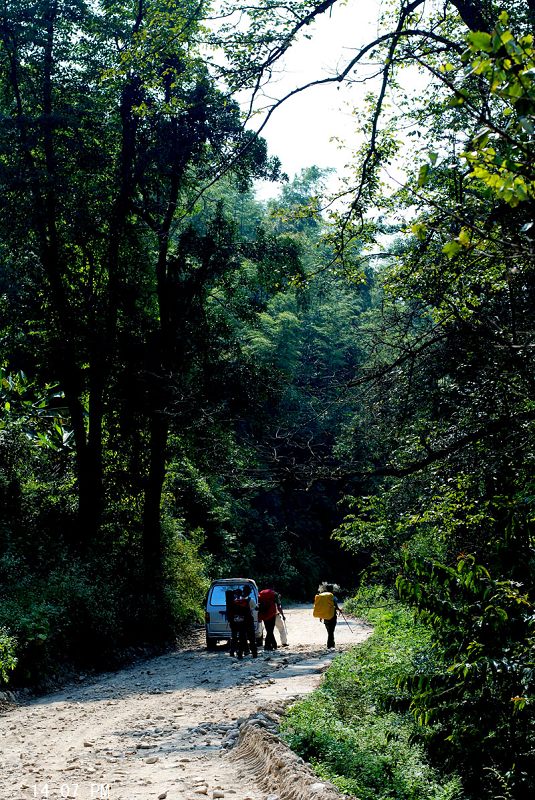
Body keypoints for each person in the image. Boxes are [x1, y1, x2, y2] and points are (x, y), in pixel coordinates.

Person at [318, 582, 341, 649]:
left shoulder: (322, 597)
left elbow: (322, 607)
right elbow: (336, 606)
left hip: (325, 616)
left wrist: (321, 616)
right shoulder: (333, 597)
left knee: (329, 631)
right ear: (332, 589)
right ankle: (331, 645)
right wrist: (339, 610)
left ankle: (331, 644)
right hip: (332, 615)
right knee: (331, 631)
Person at [240, 584, 258, 658]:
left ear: (243, 591)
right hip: (249, 620)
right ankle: (254, 653)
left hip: (241, 621)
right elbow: (256, 608)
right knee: (252, 637)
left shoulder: (238, 600)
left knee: (242, 637)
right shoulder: (251, 600)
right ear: (249, 592)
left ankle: (242, 653)